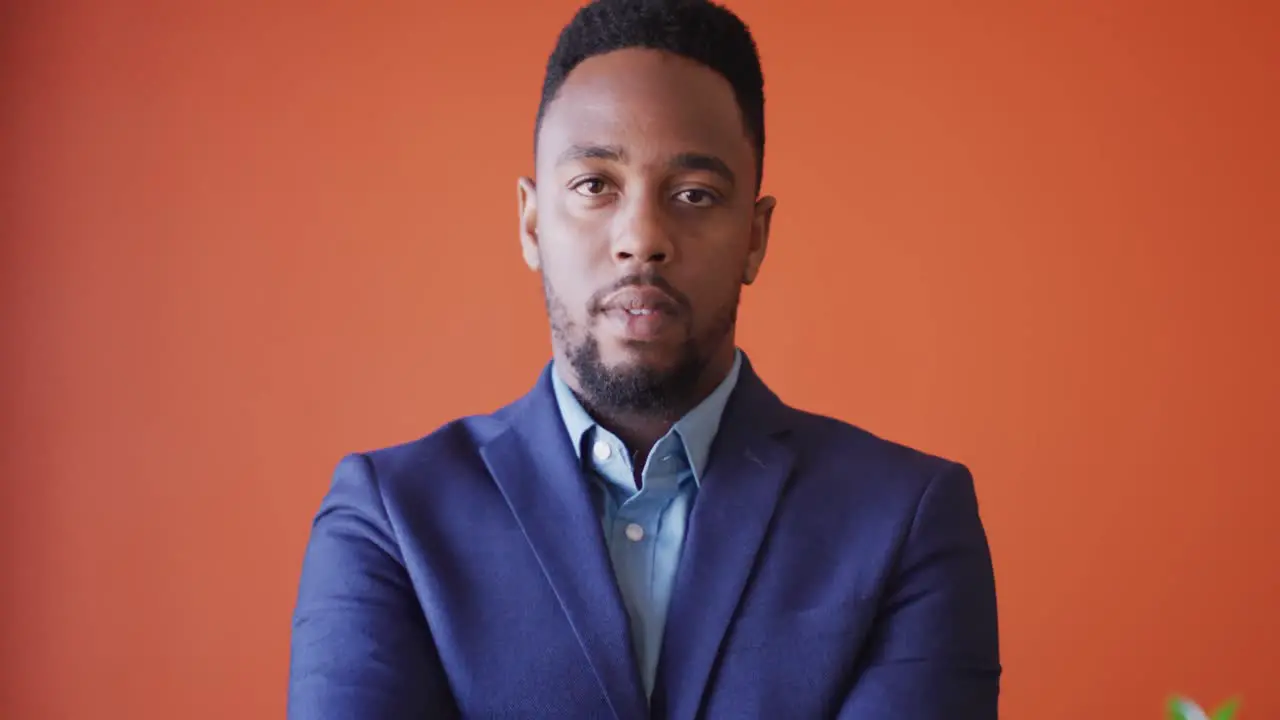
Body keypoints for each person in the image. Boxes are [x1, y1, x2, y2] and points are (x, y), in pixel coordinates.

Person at [287, 0, 1001, 717]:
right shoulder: (390, 520)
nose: (642, 238)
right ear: (531, 222)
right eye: (595, 185)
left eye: (694, 194)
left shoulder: (905, 519)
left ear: (755, 237)